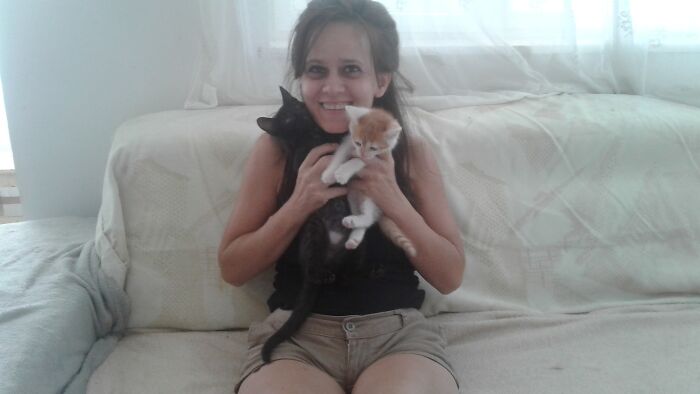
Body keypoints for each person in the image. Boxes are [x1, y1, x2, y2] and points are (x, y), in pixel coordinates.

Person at [218, 1, 464, 393]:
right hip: (296, 338)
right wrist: (299, 204)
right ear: (301, 78)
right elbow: (232, 267)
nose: (332, 88)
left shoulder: (410, 153)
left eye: (351, 69)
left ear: (380, 81)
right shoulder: (275, 151)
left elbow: (450, 276)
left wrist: (393, 199)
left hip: (396, 338)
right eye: (317, 70)